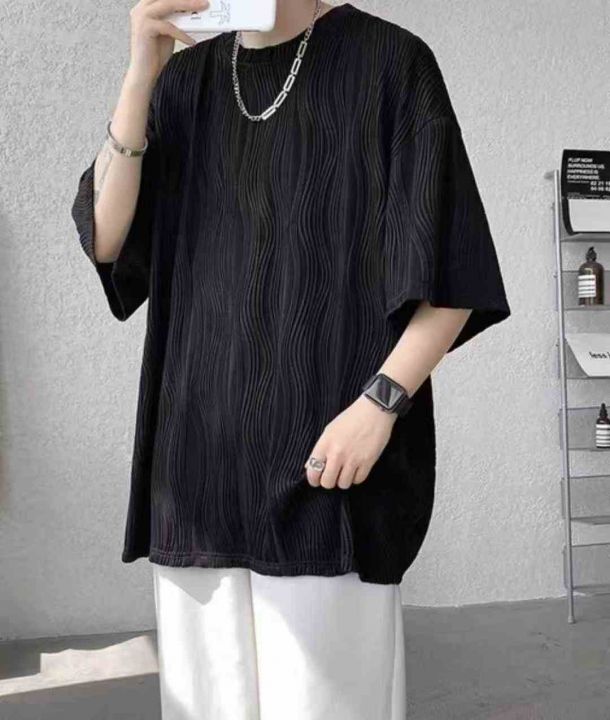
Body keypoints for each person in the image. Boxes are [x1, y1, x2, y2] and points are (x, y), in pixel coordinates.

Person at [70, 1, 511, 718]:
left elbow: (453, 274)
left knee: (326, 704)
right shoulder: (184, 82)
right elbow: (106, 237)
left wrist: (380, 405)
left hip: (327, 470)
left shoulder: (391, 64)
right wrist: (140, 73)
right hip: (196, 475)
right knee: (205, 705)